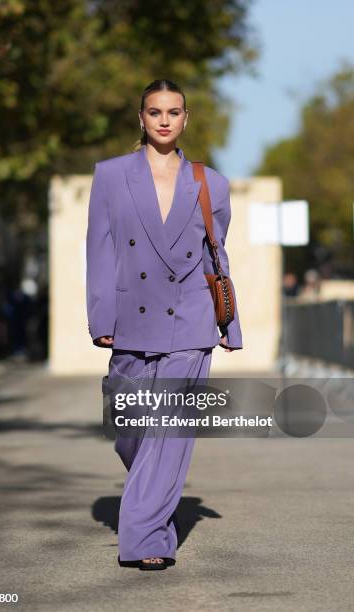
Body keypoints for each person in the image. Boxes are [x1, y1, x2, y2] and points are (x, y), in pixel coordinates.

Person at [86, 79, 243, 570]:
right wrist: (100, 315)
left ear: (185, 119)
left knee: (169, 433)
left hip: (189, 320)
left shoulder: (209, 182)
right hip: (131, 318)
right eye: (155, 111)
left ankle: (148, 539)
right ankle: (153, 505)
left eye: (173, 112)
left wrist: (228, 325)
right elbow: (99, 249)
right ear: (141, 118)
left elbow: (215, 254)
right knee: (132, 428)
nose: (163, 120)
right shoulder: (111, 176)